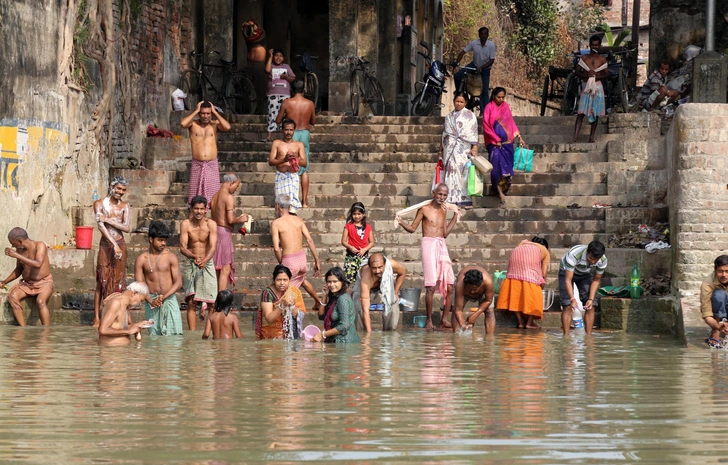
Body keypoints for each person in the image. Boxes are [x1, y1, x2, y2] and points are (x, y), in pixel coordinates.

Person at [396, 183, 461, 330]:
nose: (442, 197)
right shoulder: (424, 209)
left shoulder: (444, 210)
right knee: (430, 286)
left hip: (441, 244)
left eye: (445, 195)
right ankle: (429, 321)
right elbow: (413, 228)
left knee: (450, 285)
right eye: (440, 194)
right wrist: (401, 222)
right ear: (433, 193)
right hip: (428, 245)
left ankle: (444, 319)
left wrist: (455, 217)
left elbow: (444, 233)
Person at [270, 194, 323, 310]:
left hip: (289, 260)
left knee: (283, 288)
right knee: (302, 280)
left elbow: (276, 248)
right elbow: (309, 240)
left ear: (277, 206)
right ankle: (318, 302)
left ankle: (290, 313)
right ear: (289, 207)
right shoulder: (298, 220)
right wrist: (317, 260)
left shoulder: (276, 223)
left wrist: (282, 263)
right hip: (301, 259)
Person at [92, 176, 131, 328]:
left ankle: (122, 316)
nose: (120, 192)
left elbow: (127, 228)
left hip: (121, 243)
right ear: (112, 187)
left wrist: (108, 219)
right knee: (101, 280)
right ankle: (96, 318)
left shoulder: (125, 206)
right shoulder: (99, 204)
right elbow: (100, 226)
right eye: (119, 188)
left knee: (119, 280)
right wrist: (113, 244)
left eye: (123, 190)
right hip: (106, 245)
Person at [134, 221, 184, 336]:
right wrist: (151, 300)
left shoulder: (171, 257)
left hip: (169, 299)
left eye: (165, 240)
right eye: (160, 240)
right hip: (151, 301)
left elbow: (178, 282)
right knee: (154, 336)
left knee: (175, 336)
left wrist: (163, 297)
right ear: (151, 239)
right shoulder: (141, 259)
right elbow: (138, 285)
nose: (163, 243)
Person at [180, 100, 231, 206]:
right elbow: (183, 123)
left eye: (208, 113)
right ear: (199, 114)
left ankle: (212, 220)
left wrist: (215, 112)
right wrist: (196, 110)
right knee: (194, 198)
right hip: (197, 163)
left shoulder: (215, 125)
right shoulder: (193, 124)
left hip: (211, 163)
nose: (205, 116)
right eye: (203, 113)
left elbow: (227, 127)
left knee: (213, 197)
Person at [482, 87, 526, 208]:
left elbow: (511, 122)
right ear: (493, 96)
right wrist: (496, 139)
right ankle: (501, 196)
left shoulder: (506, 106)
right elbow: (486, 126)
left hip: (507, 144)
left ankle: (499, 189)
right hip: (494, 144)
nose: (501, 99)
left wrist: (519, 136)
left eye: (503, 97)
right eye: (498, 97)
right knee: (497, 167)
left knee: (506, 171)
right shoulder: (488, 108)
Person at [0, 228, 54, 326]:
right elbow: (19, 269)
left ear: (20, 241)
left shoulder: (40, 245)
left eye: (13, 243)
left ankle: (46, 331)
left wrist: (17, 255)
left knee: (40, 301)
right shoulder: (19, 250)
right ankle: (23, 329)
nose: (12, 246)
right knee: (13, 296)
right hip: (27, 285)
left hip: (44, 283)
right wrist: (4, 282)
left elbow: (38, 264)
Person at [179, 195, 218, 330]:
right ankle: (192, 335)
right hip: (191, 263)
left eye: (202, 209)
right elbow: (182, 247)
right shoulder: (186, 224)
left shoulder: (211, 224)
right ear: (191, 208)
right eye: (196, 209)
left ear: (206, 209)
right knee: (191, 301)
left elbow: (213, 247)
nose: (199, 212)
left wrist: (205, 260)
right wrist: (194, 256)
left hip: (207, 264)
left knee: (212, 301)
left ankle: (209, 332)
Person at [276, 79, 316, 208]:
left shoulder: (287, 102)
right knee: (304, 169)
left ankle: (290, 199)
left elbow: (278, 120)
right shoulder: (309, 103)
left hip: (291, 133)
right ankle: (304, 202)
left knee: (289, 164)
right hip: (304, 133)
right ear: (304, 90)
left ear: (291, 90)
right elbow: (313, 121)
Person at [497, 237, 550, 329]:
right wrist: (541, 286)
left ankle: (520, 322)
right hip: (528, 271)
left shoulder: (522, 245)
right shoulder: (545, 251)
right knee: (535, 296)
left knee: (515, 294)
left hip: (513, 269)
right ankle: (529, 323)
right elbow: (544, 273)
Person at [210, 173, 250, 291]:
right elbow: (231, 220)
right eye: (236, 187)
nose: (235, 190)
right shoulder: (228, 197)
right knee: (225, 268)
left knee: (218, 268)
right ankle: (221, 303)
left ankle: (217, 299)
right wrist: (241, 219)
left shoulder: (215, 196)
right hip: (223, 233)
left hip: (214, 231)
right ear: (231, 183)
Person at [558, 240, 607, 336]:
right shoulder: (575, 254)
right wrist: (572, 299)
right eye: (590, 258)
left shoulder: (603, 260)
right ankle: (566, 337)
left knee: (591, 305)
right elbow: (568, 280)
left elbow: (596, 280)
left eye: (595, 260)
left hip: (584, 273)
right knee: (567, 304)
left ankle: (588, 336)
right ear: (587, 252)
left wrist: (591, 299)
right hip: (566, 271)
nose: (592, 262)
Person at [439, 93, 479, 208]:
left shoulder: (470, 116)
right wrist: (440, 150)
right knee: (450, 172)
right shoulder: (449, 117)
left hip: (463, 149)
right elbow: (444, 134)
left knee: (463, 174)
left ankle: (464, 200)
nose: (459, 104)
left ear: (466, 102)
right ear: (453, 101)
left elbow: (473, 132)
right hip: (449, 150)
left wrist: (474, 147)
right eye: (457, 101)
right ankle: (449, 199)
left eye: (461, 102)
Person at [351, 252, 407, 332]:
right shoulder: (366, 279)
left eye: (380, 267)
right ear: (370, 267)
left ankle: (389, 334)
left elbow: (403, 273)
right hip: (366, 286)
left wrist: (395, 292)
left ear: (385, 264)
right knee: (358, 307)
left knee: (393, 302)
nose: (377, 271)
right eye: (374, 268)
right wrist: (368, 335)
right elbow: (365, 310)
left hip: (385, 282)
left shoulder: (391, 264)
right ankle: (361, 333)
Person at [572, 35, 609, 143]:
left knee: (596, 112)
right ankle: (575, 137)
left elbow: (607, 75)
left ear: (599, 46)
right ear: (589, 45)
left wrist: (595, 76)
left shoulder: (602, 60)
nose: (594, 47)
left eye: (596, 45)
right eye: (592, 45)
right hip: (586, 86)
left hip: (597, 86)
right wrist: (586, 76)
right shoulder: (584, 58)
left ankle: (591, 137)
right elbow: (576, 71)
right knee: (580, 113)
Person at [453, 26, 496, 115]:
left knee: (484, 91)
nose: (483, 36)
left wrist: (481, 68)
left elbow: (491, 60)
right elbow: (462, 52)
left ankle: (484, 113)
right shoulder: (474, 43)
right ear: (479, 35)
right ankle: (460, 93)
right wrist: (457, 63)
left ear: (487, 35)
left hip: (485, 70)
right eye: (482, 34)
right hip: (474, 65)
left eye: (485, 34)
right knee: (457, 76)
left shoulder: (491, 46)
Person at [256, 264, 306, 339]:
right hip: (270, 336)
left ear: (290, 280)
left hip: (289, 335)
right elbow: (269, 319)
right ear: (274, 280)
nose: (282, 283)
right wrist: (282, 305)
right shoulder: (267, 293)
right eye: (279, 280)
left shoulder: (294, 292)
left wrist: (291, 306)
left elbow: (300, 315)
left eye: (285, 280)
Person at [268, 119, 307, 213]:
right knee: (281, 204)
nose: (288, 132)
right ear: (282, 130)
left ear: (294, 130)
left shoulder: (299, 145)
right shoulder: (276, 143)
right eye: (286, 130)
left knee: (293, 206)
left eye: (291, 130)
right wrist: (283, 160)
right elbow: (271, 161)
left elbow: (304, 163)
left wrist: (295, 159)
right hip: (281, 176)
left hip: (293, 177)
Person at [312, 267, 360, 343]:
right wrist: (324, 296)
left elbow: (344, 326)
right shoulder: (334, 297)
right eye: (329, 282)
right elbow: (321, 316)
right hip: (337, 341)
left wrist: (322, 334)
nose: (331, 284)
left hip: (345, 343)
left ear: (342, 282)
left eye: (335, 281)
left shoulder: (342, 299)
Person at [98, 282, 153, 346]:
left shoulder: (125, 305)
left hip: (121, 351)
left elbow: (119, 326)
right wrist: (129, 331)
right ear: (134, 293)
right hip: (111, 351)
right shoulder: (116, 303)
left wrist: (137, 325)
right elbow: (103, 330)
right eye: (141, 300)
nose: (140, 304)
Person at [451, 266, 495, 334]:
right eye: (469, 289)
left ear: (481, 285)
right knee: (454, 310)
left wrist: (475, 315)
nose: (472, 292)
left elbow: (488, 300)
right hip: (462, 292)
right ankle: (456, 334)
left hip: (483, 295)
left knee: (490, 311)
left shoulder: (488, 282)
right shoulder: (460, 285)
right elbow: (458, 309)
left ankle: (490, 337)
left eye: (474, 289)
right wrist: (462, 324)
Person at [265, 48, 296, 141]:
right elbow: (267, 70)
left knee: (285, 115)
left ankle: (286, 136)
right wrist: (269, 57)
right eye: (276, 56)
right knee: (271, 114)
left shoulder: (286, 67)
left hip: (285, 94)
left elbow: (293, 78)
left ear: (283, 58)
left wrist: (286, 77)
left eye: (280, 56)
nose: (278, 58)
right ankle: (269, 136)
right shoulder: (271, 66)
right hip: (273, 94)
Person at [341, 202, 375, 285]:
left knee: (364, 278)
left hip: (363, 257)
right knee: (349, 279)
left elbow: (372, 242)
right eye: (354, 214)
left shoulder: (368, 227)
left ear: (363, 214)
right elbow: (343, 241)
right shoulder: (348, 226)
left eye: (359, 214)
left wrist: (365, 249)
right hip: (351, 257)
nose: (356, 216)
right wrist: (350, 247)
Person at [700, 255, 728, 348]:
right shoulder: (707, 283)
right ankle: (715, 332)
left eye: (727, 271)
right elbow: (707, 315)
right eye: (720, 271)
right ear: (715, 271)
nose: (724, 275)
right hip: (718, 314)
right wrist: (718, 327)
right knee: (719, 295)